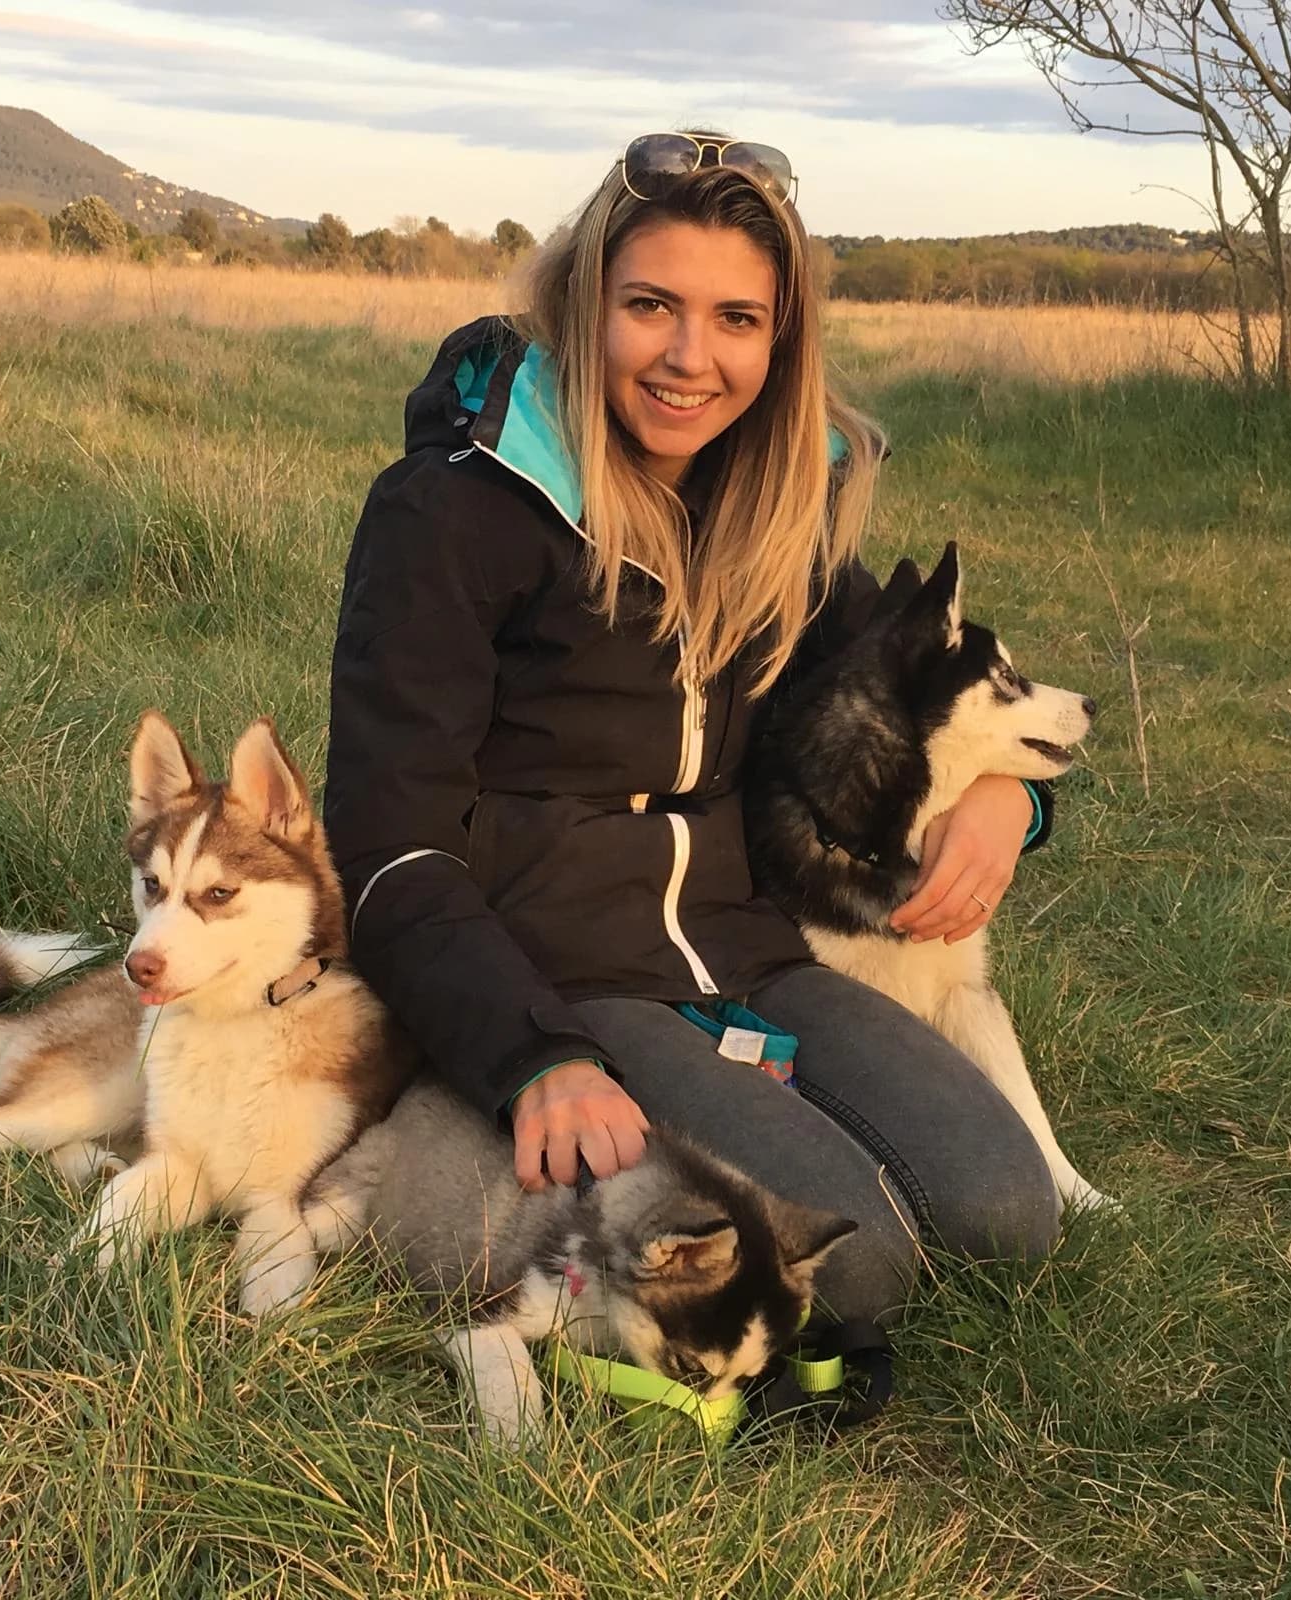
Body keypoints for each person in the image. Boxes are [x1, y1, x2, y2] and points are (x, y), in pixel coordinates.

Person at [323, 132, 1059, 1322]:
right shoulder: (457, 510)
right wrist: (535, 1054)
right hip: (549, 963)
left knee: (1000, 1212)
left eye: (735, 319)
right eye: (650, 306)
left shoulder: (771, 505)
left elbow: (899, 691)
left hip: (741, 946)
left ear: (780, 339)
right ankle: (447, 1100)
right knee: (853, 1264)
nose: (688, 357)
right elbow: (386, 836)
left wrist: (1006, 798)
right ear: (584, 301)